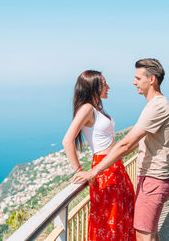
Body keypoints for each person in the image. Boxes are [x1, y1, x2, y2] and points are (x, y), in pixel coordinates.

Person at [73, 59, 169, 241]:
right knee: (147, 232)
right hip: (148, 177)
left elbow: (126, 144)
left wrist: (93, 172)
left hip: (153, 179)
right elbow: (138, 141)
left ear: (151, 79)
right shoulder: (154, 105)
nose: (133, 82)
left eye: (137, 78)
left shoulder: (157, 106)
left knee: (143, 235)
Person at [62, 70, 136, 241]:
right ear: (93, 87)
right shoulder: (87, 109)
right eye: (104, 84)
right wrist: (79, 171)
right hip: (104, 168)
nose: (108, 87)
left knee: (122, 214)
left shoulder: (98, 108)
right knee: (109, 220)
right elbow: (67, 141)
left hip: (115, 165)